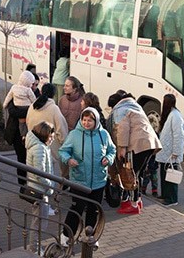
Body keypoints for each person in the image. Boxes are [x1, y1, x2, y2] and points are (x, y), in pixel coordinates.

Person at [58, 108, 116, 248]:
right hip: (79, 180)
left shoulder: (104, 134)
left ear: (95, 121)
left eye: (90, 120)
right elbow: (63, 151)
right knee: (76, 209)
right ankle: (65, 235)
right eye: (84, 120)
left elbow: (112, 150)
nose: (86, 123)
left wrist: (108, 159)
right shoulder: (74, 135)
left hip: (98, 181)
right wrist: (69, 160)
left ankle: (91, 236)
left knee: (94, 210)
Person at [107, 90, 161, 214]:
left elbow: (122, 128)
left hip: (136, 145)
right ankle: (138, 200)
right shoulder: (135, 106)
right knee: (138, 173)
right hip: (150, 144)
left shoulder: (120, 110)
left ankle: (133, 204)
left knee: (131, 175)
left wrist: (121, 148)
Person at [26, 83, 69, 179]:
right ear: (54, 95)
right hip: (50, 148)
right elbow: (61, 130)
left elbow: (28, 123)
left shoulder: (32, 106)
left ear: (41, 91)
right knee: (47, 175)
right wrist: (65, 145)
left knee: (36, 174)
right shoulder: (54, 109)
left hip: (33, 144)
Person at [25, 121, 55, 250]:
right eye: (51, 135)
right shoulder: (39, 148)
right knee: (39, 223)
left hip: (38, 188)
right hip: (40, 190)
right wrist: (50, 186)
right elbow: (40, 173)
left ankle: (35, 247)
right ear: (45, 135)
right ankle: (34, 248)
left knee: (39, 221)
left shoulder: (39, 146)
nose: (53, 137)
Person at [155, 94, 184, 207]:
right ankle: (165, 195)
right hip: (166, 152)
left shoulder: (175, 116)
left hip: (171, 153)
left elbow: (179, 136)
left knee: (171, 177)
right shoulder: (171, 114)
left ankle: (172, 198)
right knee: (164, 174)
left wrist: (176, 152)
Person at [3, 71, 37, 139]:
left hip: (17, 106)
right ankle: (25, 135)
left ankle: (23, 135)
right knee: (24, 122)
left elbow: (8, 97)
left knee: (21, 122)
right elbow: (33, 100)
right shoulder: (28, 90)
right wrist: (36, 106)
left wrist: (4, 105)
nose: (32, 86)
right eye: (32, 84)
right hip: (27, 107)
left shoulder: (14, 87)